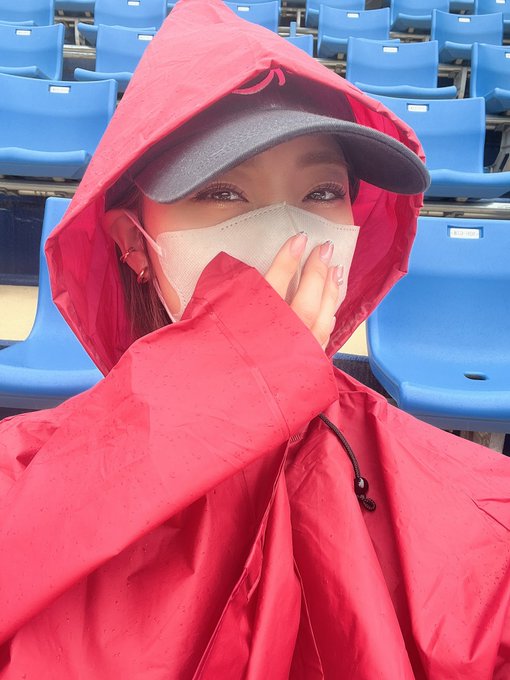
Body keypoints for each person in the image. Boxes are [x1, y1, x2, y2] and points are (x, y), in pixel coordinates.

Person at [0, 1, 509, 678]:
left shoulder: (474, 503)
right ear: (134, 243)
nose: (287, 231)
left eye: (322, 190)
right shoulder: (23, 478)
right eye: (222, 193)